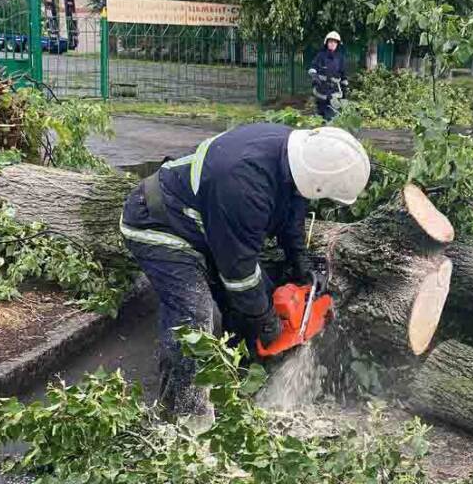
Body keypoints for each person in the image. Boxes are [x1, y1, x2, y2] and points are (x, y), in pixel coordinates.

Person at [120, 123, 370, 426]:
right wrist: (265, 321)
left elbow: (292, 211)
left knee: (255, 295)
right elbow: (238, 274)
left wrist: (298, 258)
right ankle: (184, 416)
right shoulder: (242, 183)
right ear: (317, 181)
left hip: (207, 225)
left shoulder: (294, 156)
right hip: (159, 225)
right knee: (195, 318)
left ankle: (236, 377)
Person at [309, 31, 348, 120]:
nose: (332, 44)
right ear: (326, 43)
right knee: (319, 118)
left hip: (334, 93)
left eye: (335, 42)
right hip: (320, 92)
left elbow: (343, 75)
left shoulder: (340, 58)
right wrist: (314, 76)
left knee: (331, 118)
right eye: (330, 41)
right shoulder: (320, 56)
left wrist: (345, 89)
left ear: (338, 44)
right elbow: (313, 67)